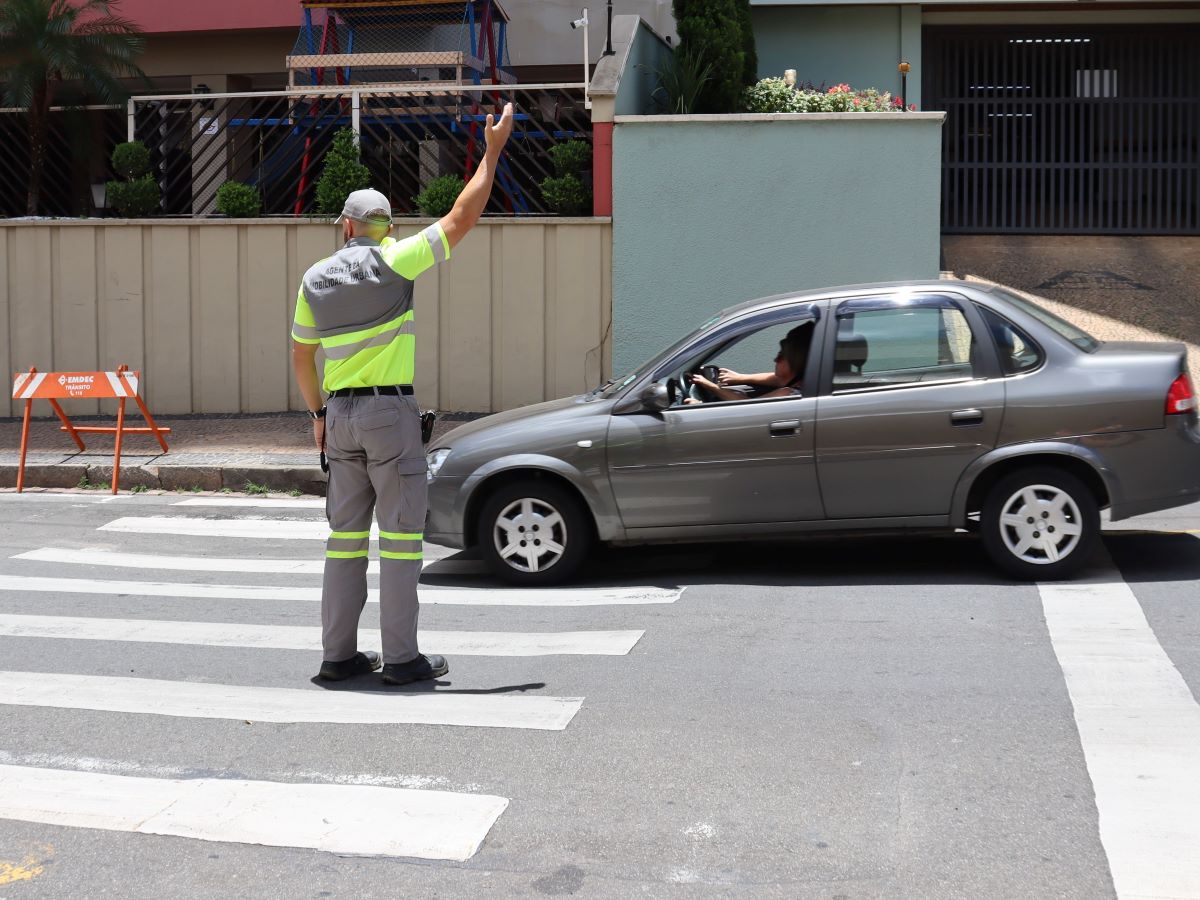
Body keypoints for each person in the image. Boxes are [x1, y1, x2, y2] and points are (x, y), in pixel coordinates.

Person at [291, 103, 515, 685]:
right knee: (398, 539)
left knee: (343, 541)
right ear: (386, 228)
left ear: (345, 226)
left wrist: (317, 414)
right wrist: (490, 153)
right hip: (389, 415)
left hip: (337, 416)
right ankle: (400, 660)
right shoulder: (396, 260)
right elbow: (461, 217)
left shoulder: (313, 279)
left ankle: (337, 657)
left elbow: (300, 354)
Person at [687, 322, 814, 403]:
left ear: (797, 364)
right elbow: (777, 378)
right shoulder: (809, 384)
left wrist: (711, 389)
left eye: (781, 356)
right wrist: (741, 378)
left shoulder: (788, 394)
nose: (775, 360)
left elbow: (745, 405)